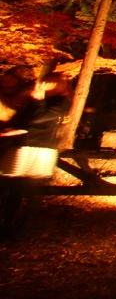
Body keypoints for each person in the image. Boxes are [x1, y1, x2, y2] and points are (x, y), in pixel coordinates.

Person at [1, 72, 69, 239]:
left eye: (49, 83)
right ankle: (7, 226)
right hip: (22, 145)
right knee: (12, 188)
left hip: (40, 149)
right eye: (44, 82)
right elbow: (23, 117)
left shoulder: (61, 102)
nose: (44, 86)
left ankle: (24, 227)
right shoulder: (35, 99)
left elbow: (39, 118)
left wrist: (39, 100)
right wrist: (11, 128)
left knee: (31, 189)